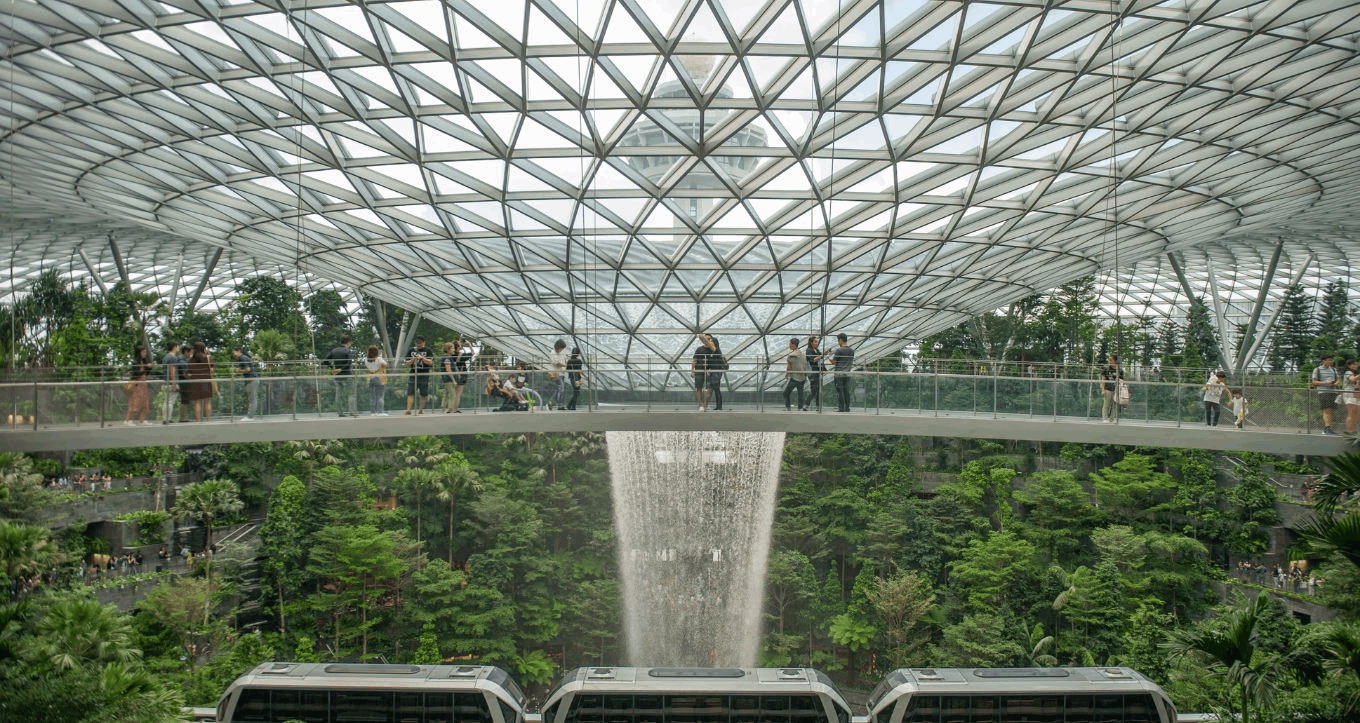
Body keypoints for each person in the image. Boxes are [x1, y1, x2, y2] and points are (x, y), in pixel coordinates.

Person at [324, 334, 357, 417]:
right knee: (351, 393)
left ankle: (340, 413)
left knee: (339, 394)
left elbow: (324, 361)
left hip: (338, 376)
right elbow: (349, 363)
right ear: (348, 343)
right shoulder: (348, 351)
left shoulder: (334, 351)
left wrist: (333, 368)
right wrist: (341, 369)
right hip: (347, 375)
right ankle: (352, 411)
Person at [182, 341, 215, 422]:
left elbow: (188, 372)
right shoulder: (208, 357)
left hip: (195, 381)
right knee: (207, 401)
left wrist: (187, 375)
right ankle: (209, 420)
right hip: (206, 381)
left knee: (197, 402)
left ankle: (198, 421)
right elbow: (212, 370)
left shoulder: (191, 359)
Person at [122, 345, 153, 426]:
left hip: (144, 384)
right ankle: (127, 420)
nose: (145, 353)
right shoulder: (135, 362)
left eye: (145, 352)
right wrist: (146, 367)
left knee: (144, 402)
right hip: (137, 384)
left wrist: (149, 367)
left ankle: (142, 420)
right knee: (134, 402)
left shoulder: (144, 361)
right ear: (139, 353)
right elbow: (136, 373)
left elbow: (146, 373)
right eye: (143, 352)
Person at [404, 336, 434, 414]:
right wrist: (413, 359)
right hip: (413, 373)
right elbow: (406, 362)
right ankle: (408, 409)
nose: (418, 345)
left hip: (424, 373)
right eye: (417, 343)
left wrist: (422, 358)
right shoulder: (411, 350)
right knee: (410, 391)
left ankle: (421, 409)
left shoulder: (428, 350)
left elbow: (430, 362)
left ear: (424, 342)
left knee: (423, 392)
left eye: (420, 343)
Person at [1312, 354, 1340, 434]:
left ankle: (1328, 428)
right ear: (1323, 361)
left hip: (1333, 392)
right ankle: (1327, 428)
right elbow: (1314, 382)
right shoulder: (1317, 369)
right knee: (1326, 409)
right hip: (1323, 391)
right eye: (1329, 360)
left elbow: (1338, 380)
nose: (1331, 361)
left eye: (1331, 360)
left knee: (1331, 410)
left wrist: (1335, 383)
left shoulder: (1334, 369)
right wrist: (1326, 383)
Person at [231, 346, 260, 420]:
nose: (233, 355)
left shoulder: (242, 358)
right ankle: (250, 416)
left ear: (238, 351)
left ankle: (250, 417)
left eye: (233, 353)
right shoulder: (244, 358)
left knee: (252, 398)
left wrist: (238, 371)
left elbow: (248, 369)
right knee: (251, 398)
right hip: (251, 379)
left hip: (252, 379)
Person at [783, 337, 809, 411]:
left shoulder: (791, 356)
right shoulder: (803, 354)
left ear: (794, 345)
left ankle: (788, 407)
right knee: (800, 394)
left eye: (790, 344)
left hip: (794, 377)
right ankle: (800, 408)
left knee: (786, 393)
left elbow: (789, 367)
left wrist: (787, 375)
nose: (789, 345)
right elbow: (805, 365)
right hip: (802, 377)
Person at [831, 333, 855, 412]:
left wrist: (830, 359)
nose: (838, 342)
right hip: (847, 374)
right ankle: (847, 408)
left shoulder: (839, 350)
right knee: (846, 391)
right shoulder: (851, 351)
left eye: (838, 340)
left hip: (839, 374)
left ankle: (841, 408)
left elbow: (834, 362)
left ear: (841, 340)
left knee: (840, 392)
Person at [160, 341, 181, 424]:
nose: (178, 348)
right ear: (174, 347)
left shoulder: (165, 357)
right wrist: (174, 383)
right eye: (178, 346)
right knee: (170, 401)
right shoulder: (173, 357)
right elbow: (172, 371)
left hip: (166, 381)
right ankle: (167, 418)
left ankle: (166, 418)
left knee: (166, 401)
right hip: (171, 382)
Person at [364, 345, 388, 416]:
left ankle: (372, 412)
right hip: (379, 377)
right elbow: (385, 364)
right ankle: (380, 411)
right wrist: (380, 368)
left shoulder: (366, 359)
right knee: (380, 395)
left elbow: (367, 367)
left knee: (373, 396)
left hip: (371, 377)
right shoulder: (378, 359)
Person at [1100, 354, 1123, 423]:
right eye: (1109, 360)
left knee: (1115, 405)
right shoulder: (1106, 369)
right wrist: (1103, 389)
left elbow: (1121, 381)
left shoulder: (1120, 370)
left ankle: (1112, 418)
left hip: (1116, 390)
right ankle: (1105, 418)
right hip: (1108, 389)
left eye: (1111, 360)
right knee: (1106, 404)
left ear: (1115, 361)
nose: (1109, 361)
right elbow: (1103, 380)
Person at [547, 339, 569, 410]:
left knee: (558, 390)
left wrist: (564, 364)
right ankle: (559, 405)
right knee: (561, 389)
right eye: (561, 348)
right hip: (556, 374)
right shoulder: (553, 352)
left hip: (561, 373)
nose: (561, 350)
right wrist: (563, 365)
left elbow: (563, 362)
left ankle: (551, 402)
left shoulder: (560, 354)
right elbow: (556, 362)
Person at [692, 333, 712, 411]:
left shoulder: (713, 349)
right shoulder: (699, 349)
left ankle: (706, 404)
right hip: (699, 370)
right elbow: (694, 360)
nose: (708, 340)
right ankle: (700, 405)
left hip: (710, 371)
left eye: (709, 339)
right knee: (699, 387)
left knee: (710, 388)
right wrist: (693, 370)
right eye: (706, 339)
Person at [706, 334, 726, 410]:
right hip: (714, 372)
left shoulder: (716, 350)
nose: (710, 343)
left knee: (715, 389)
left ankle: (719, 406)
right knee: (715, 389)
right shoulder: (713, 352)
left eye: (711, 341)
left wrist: (703, 337)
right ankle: (718, 406)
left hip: (716, 372)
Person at [439, 341, 458, 413]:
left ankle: (442, 410)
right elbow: (448, 370)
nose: (454, 350)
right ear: (448, 349)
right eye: (452, 348)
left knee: (446, 394)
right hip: (448, 379)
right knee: (452, 394)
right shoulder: (447, 358)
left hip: (446, 379)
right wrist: (454, 380)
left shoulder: (447, 357)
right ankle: (450, 409)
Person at [805, 336, 823, 411]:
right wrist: (821, 355)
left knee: (817, 389)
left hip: (817, 371)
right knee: (814, 389)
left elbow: (819, 359)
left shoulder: (817, 350)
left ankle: (817, 406)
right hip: (812, 372)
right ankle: (807, 404)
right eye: (815, 342)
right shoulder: (809, 350)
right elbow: (812, 360)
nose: (817, 343)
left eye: (817, 342)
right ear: (811, 342)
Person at [1344, 358, 1360, 434]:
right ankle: (1349, 431)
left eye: (1356, 364)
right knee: (1351, 413)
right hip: (1349, 395)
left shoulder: (1356, 374)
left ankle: (1352, 430)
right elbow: (1352, 379)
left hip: (1356, 395)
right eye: (1353, 364)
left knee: (1357, 414)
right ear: (1349, 366)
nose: (1355, 365)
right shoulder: (1348, 372)